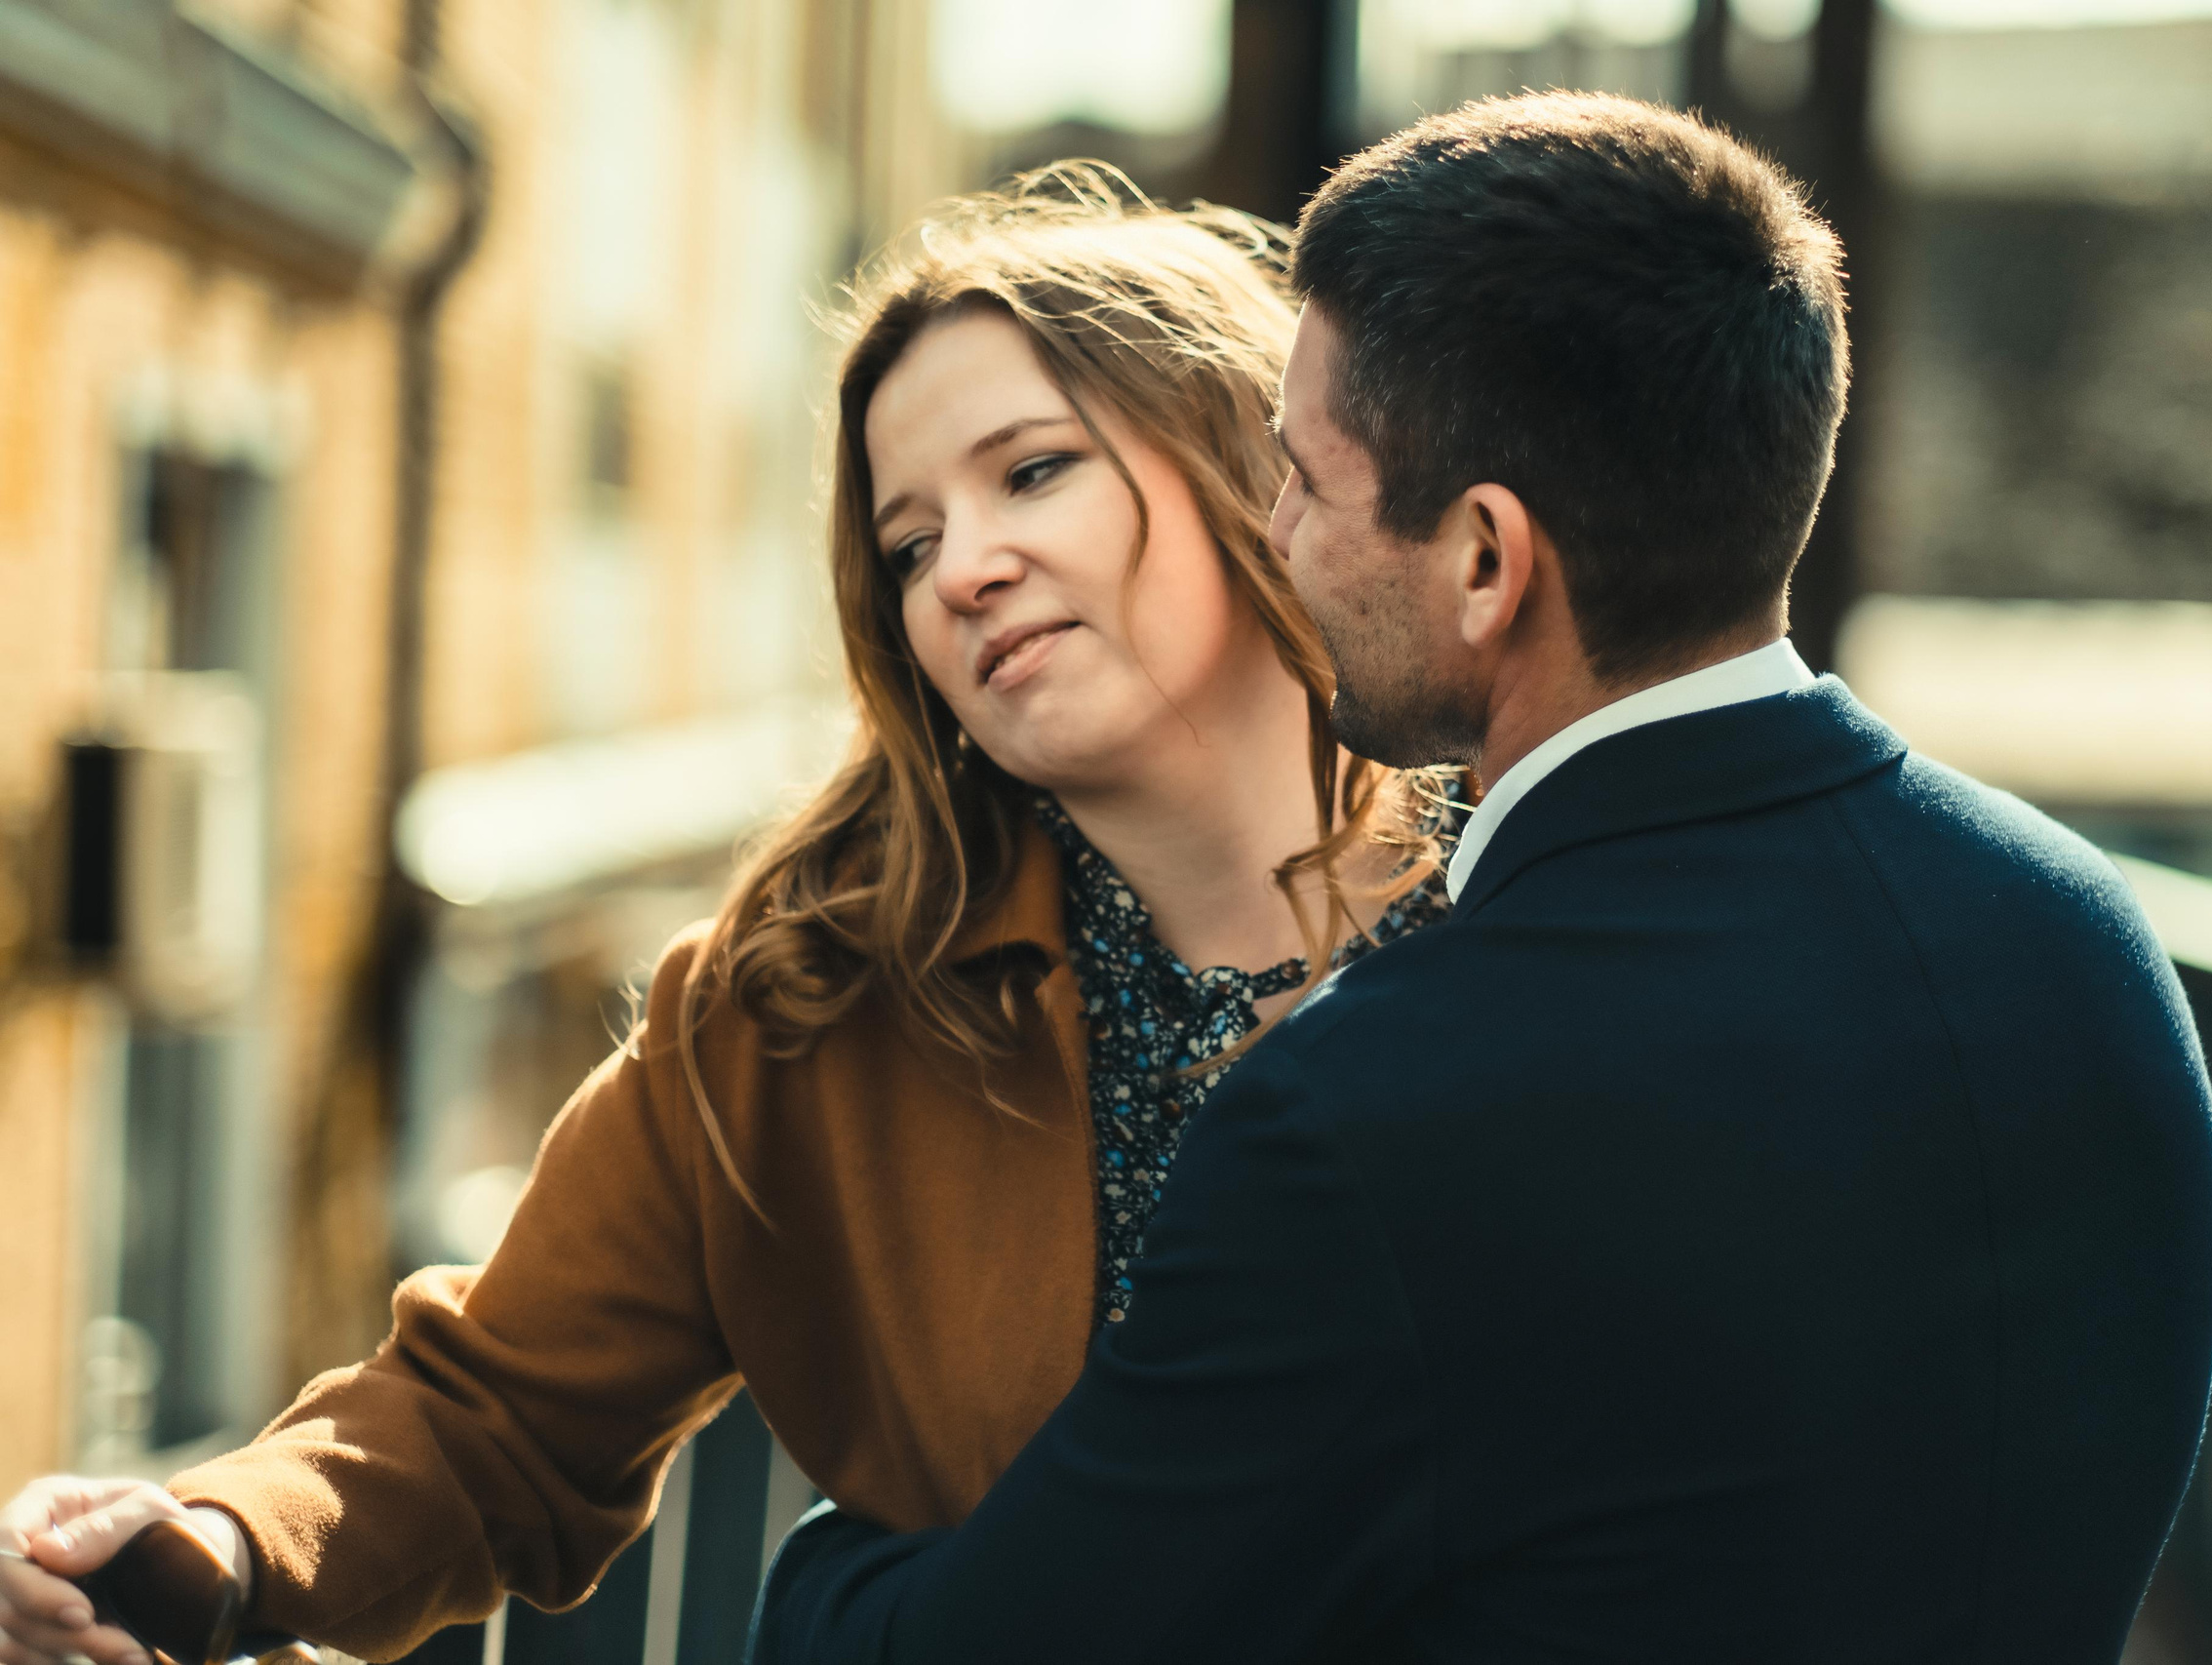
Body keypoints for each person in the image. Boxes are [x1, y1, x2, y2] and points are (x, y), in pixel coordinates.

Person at [747, 94, 2212, 1664]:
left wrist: (844, 1553)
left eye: (1306, 482)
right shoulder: (2084, 942)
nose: (1275, 531)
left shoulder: (1373, 1112)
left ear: (1483, 560)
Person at [0, 167, 1460, 1665]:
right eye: (908, 546)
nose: (964, 570)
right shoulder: (809, 1004)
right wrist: (209, 1544)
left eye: (1032, 472)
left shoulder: (1540, 906)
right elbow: (491, 1412)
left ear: (1254, 458)